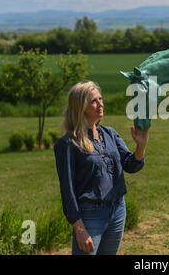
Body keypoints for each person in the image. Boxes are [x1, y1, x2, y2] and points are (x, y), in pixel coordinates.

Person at [54, 81, 148, 255]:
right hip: (91, 216)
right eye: (93, 101)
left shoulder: (110, 133)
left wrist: (140, 147)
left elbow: (130, 165)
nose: (100, 104)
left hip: (118, 210)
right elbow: (67, 191)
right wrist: (79, 228)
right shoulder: (67, 144)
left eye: (100, 98)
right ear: (80, 107)